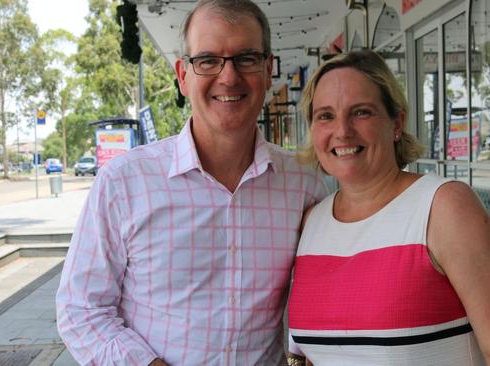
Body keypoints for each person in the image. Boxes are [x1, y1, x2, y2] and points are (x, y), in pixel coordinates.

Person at [55, 1, 327, 365]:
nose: (228, 77)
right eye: (208, 60)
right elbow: (80, 308)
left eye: (246, 58)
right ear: (183, 75)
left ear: (268, 70)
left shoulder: (304, 182)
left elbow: (324, 293)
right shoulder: (124, 183)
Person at [287, 51, 490, 365]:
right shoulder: (312, 223)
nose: (342, 130)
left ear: (396, 122)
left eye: (361, 112)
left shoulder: (443, 208)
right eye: (325, 116)